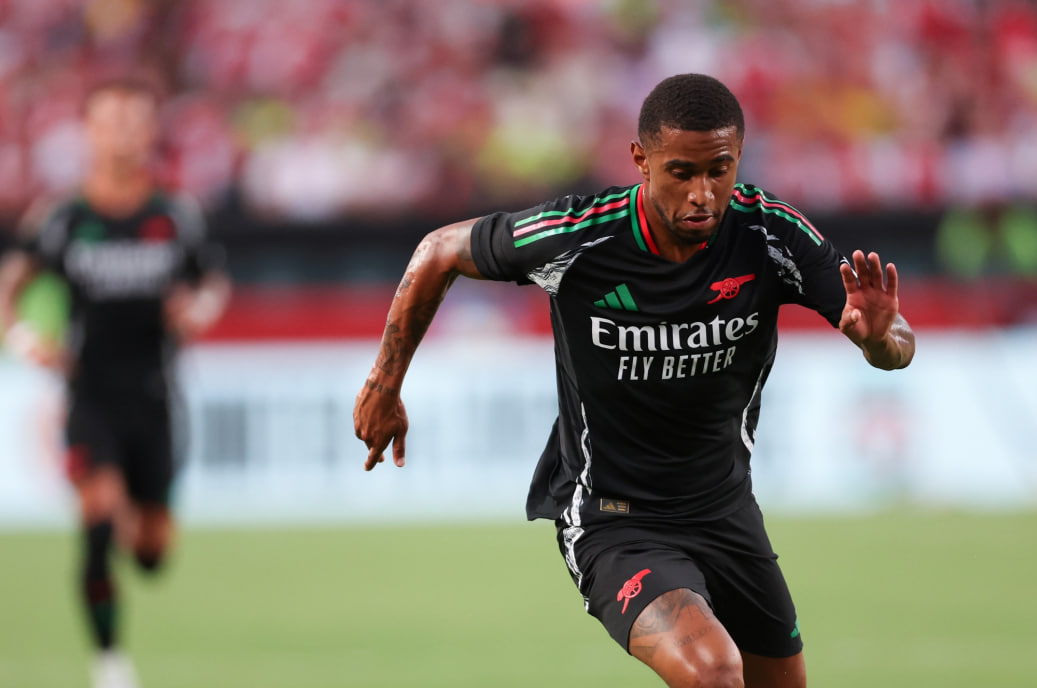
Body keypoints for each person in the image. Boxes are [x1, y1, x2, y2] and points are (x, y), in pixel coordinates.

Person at [352, 73, 914, 688]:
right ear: (641, 160)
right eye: (681, 172)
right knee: (714, 673)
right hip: (615, 520)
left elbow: (897, 345)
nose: (703, 194)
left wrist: (879, 341)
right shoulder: (578, 237)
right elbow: (439, 250)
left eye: (719, 170)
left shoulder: (769, 233)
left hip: (726, 511)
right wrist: (384, 385)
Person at [0, 78, 231, 688]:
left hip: (156, 399)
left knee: (151, 554)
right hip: (90, 396)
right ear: (89, 132)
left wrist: (199, 309)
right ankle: (109, 663)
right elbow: (11, 285)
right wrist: (24, 340)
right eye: (110, 121)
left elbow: (212, 282)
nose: (122, 133)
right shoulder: (63, 217)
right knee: (98, 518)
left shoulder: (175, 215)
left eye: (134, 120)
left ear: (150, 132)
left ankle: (131, 508)